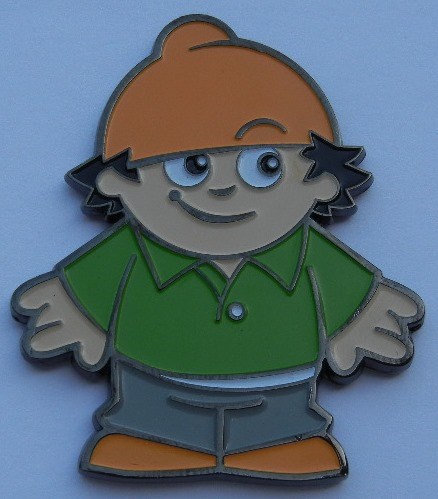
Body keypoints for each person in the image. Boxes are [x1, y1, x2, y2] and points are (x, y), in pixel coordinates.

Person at [12, 15, 424, 482]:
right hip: (154, 389)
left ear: (323, 180)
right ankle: (150, 442)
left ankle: (278, 445)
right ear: (118, 180)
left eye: (265, 166)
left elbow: (351, 295)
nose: (223, 188)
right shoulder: (129, 248)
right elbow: (86, 291)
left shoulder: (312, 252)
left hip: (280, 392)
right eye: (192, 167)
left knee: (276, 428)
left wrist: (361, 322)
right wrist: (73, 314)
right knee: (154, 426)